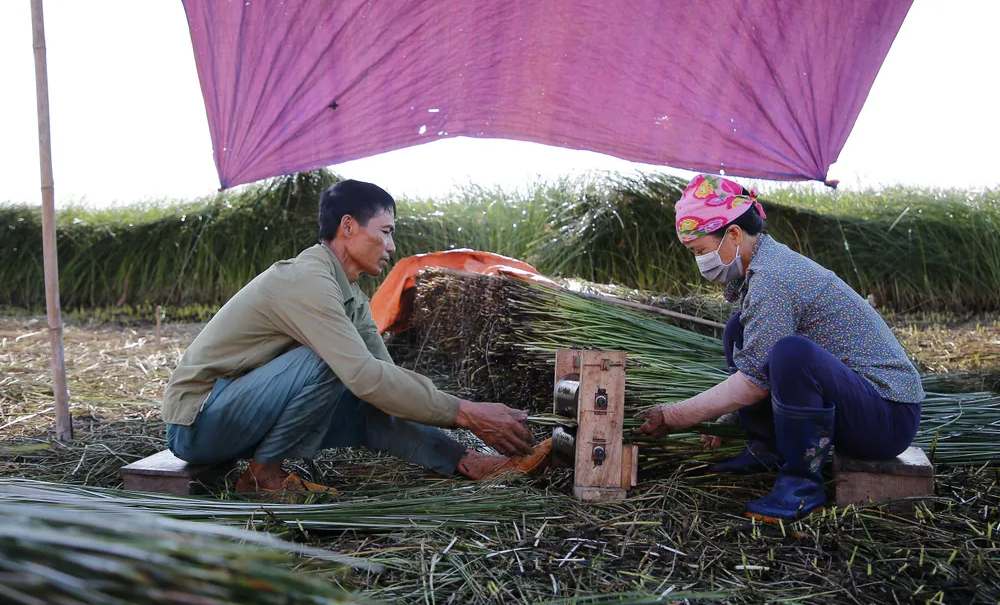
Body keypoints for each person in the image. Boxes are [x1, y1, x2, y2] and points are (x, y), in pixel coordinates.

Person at [162, 179, 551, 496]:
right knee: (334, 362)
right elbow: (363, 374)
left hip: (241, 415)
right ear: (348, 227)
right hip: (198, 422)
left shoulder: (350, 295)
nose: (392, 247)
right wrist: (467, 412)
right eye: (385, 232)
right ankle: (263, 477)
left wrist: (461, 433)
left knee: (369, 401)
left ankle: (468, 462)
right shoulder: (306, 280)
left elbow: (382, 380)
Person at [636, 174, 923, 522]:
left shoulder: (774, 280)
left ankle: (802, 487)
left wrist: (674, 416)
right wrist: (728, 417)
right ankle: (766, 448)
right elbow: (759, 363)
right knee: (738, 329)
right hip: (862, 406)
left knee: (792, 354)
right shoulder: (765, 267)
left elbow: (757, 381)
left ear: (734, 234)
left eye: (700, 251)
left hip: (886, 419)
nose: (700, 262)